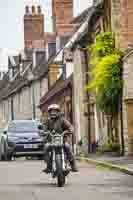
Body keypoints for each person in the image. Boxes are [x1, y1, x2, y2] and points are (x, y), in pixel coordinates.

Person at [42, 104, 78, 173]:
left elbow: (70, 126)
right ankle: (48, 165)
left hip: (62, 141)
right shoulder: (47, 121)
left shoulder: (62, 120)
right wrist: (44, 132)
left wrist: (70, 130)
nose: (53, 113)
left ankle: (73, 164)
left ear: (58, 112)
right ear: (49, 112)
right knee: (46, 147)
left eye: (55, 111)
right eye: (51, 111)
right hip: (51, 141)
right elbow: (44, 128)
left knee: (67, 147)